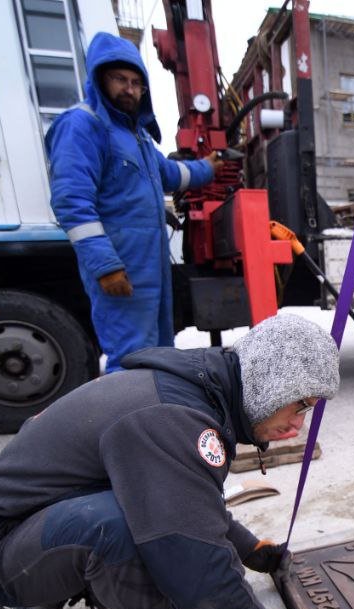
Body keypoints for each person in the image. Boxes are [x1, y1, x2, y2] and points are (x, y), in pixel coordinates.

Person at [0, 313, 339, 609]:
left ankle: (51, 586)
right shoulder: (170, 417)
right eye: (301, 405)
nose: (299, 425)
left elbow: (187, 499)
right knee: (124, 529)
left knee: (146, 511)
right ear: (269, 382)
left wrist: (249, 549)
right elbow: (191, 554)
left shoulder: (193, 393)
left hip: (44, 523)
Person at [46, 32, 217, 372]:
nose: (129, 89)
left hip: (149, 263)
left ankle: (152, 417)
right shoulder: (83, 125)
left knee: (158, 353)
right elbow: (71, 201)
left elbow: (171, 173)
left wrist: (209, 167)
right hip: (122, 263)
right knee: (130, 356)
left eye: (137, 82)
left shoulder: (134, 136)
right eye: (120, 79)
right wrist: (105, 265)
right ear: (99, 79)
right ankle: (127, 421)